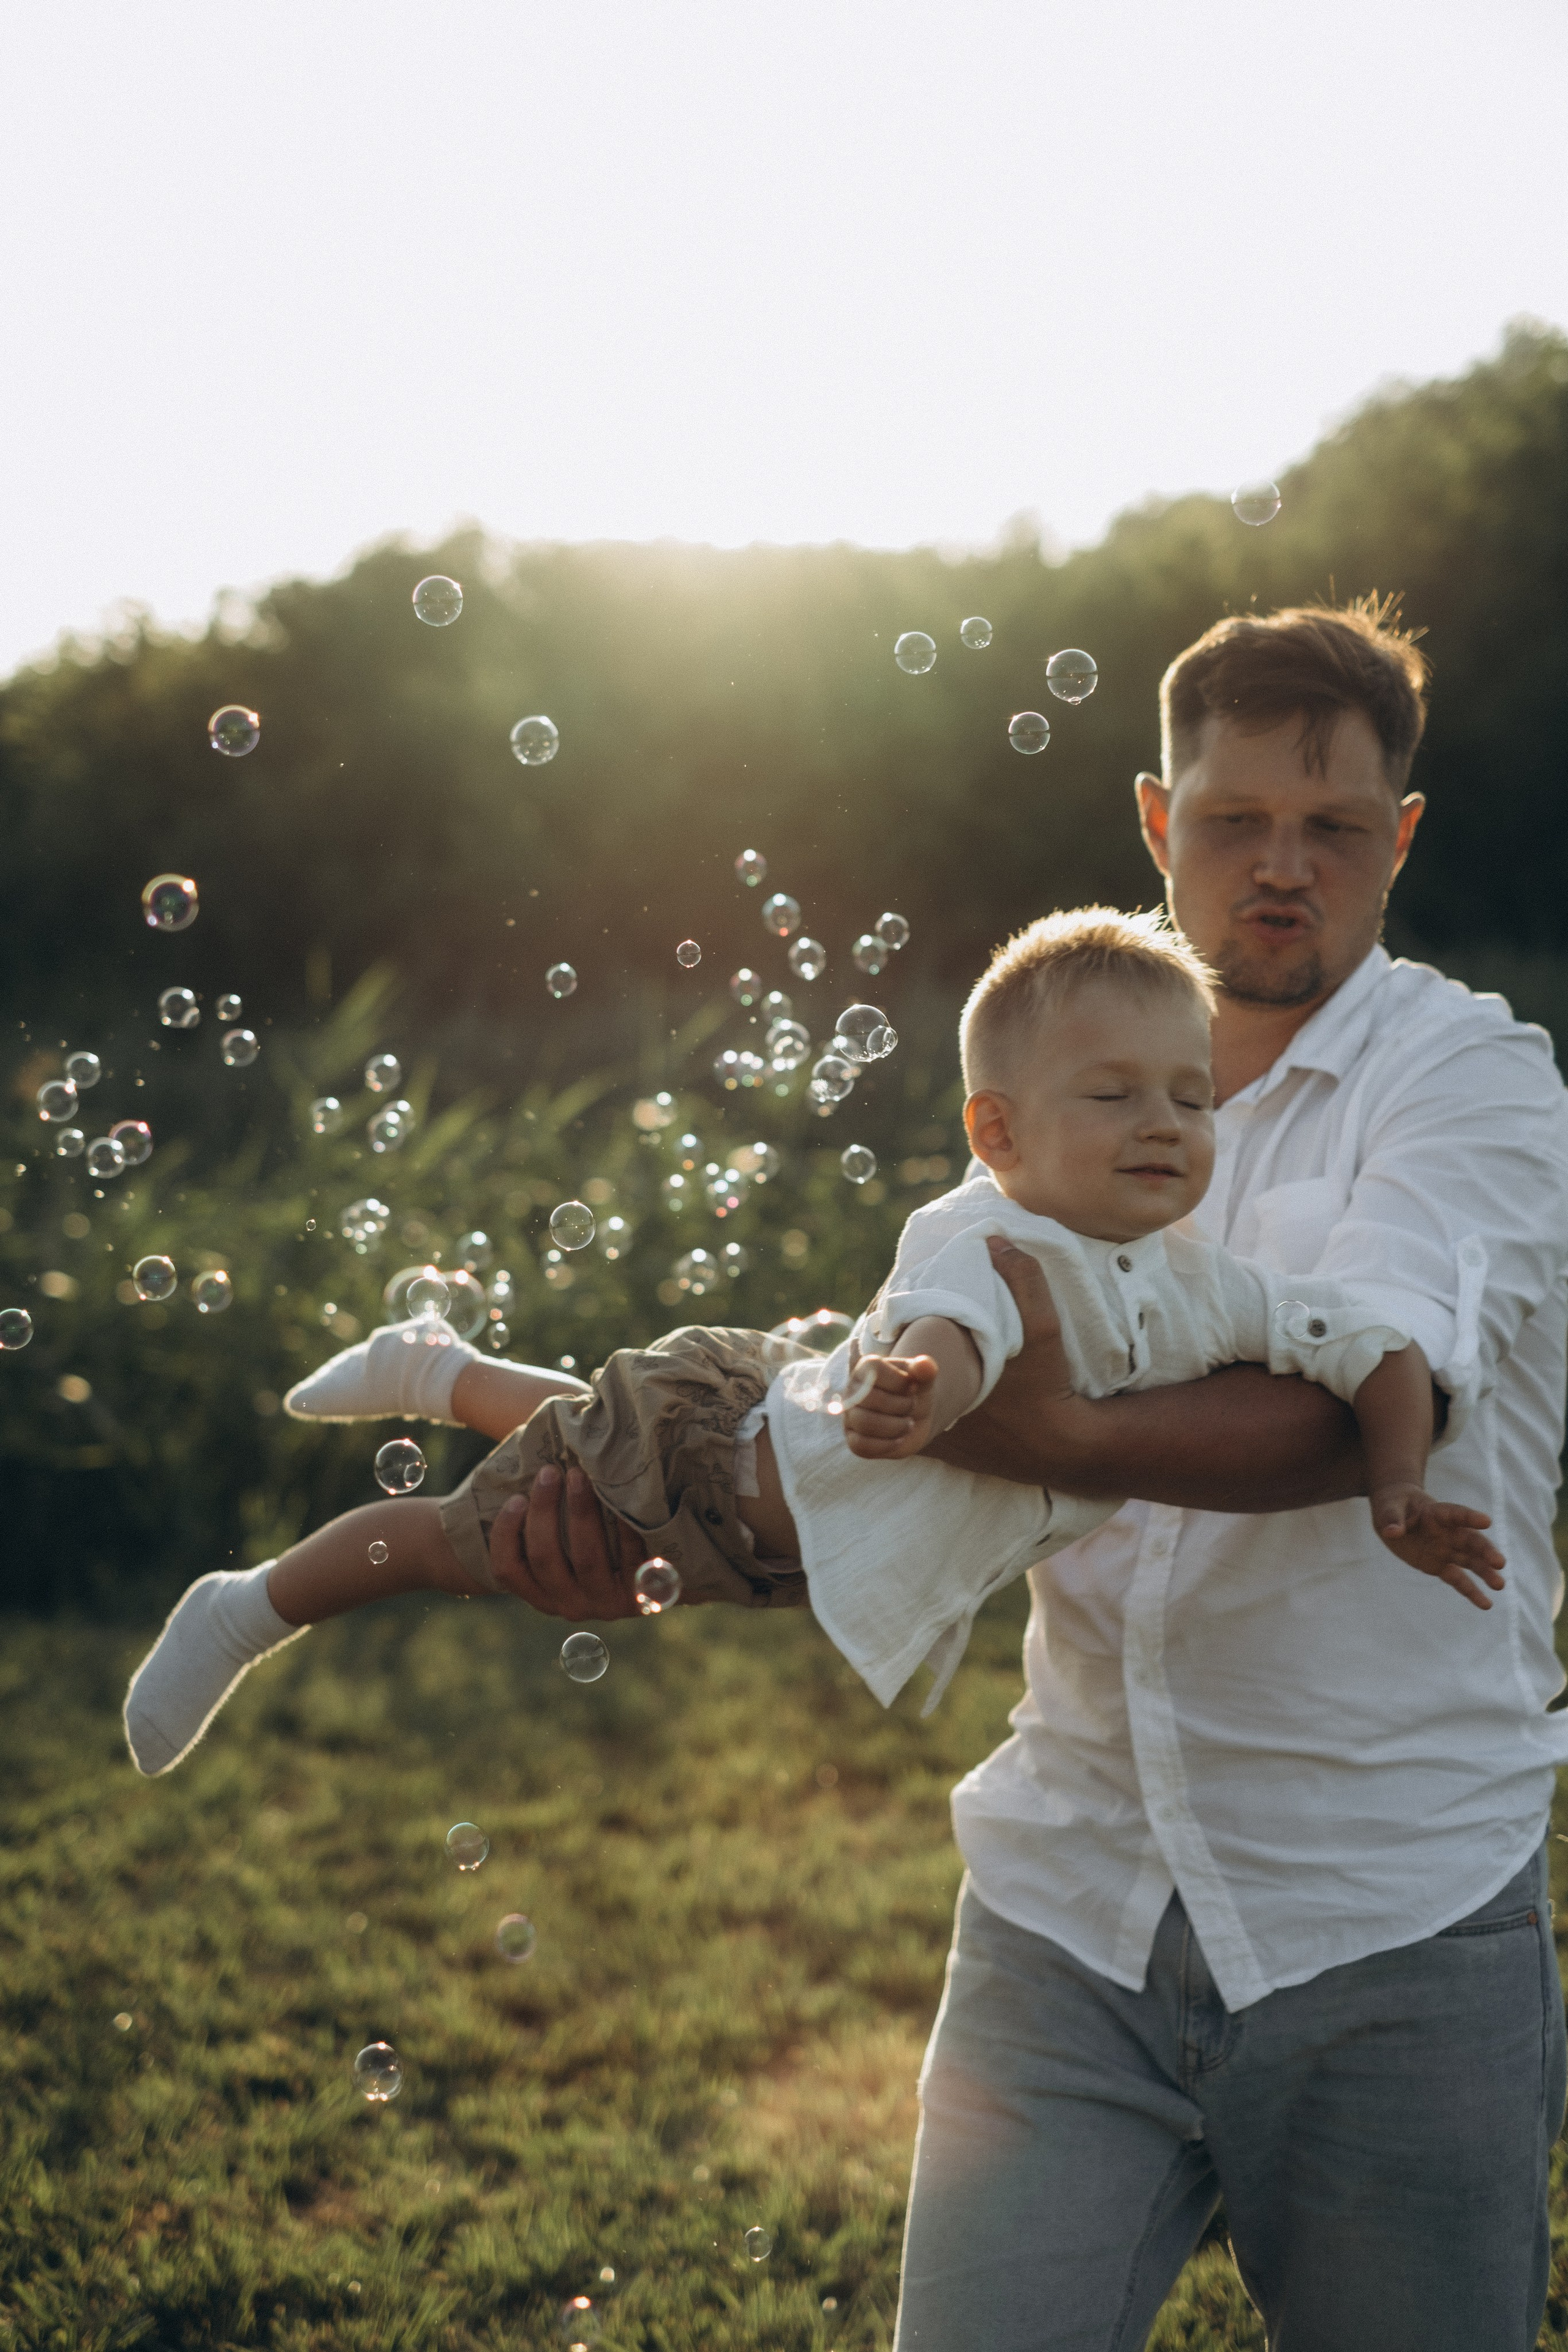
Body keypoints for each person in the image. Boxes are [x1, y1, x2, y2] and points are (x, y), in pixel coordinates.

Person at [489, 599, 1568, 2352]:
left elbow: (1365, 1403)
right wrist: (665, 1521)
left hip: (1393, 1915)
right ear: (1158, 821)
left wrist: (1053, 1429)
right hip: (1067, 1899)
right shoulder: (1064, 1070)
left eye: (1335, 829)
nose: (1280, 869)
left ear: (1403, 840)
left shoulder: (1476, 1085)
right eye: (1232, 823)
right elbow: (928, 1411)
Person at [125, 902, 1498, 1786]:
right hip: (725, 1459)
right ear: (998, 1133)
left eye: (1191, 1100)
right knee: (454, 1543)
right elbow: (959, 1344)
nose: (1164, 1125)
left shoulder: (1203, 1286)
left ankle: (434, 1365)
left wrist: (1391, 1488)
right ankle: (247, 1604)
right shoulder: (992, 1241)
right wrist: (925, 1394)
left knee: (585, 1439)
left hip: (761, 1489)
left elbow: (1368, 1347)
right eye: (1114, 1093)